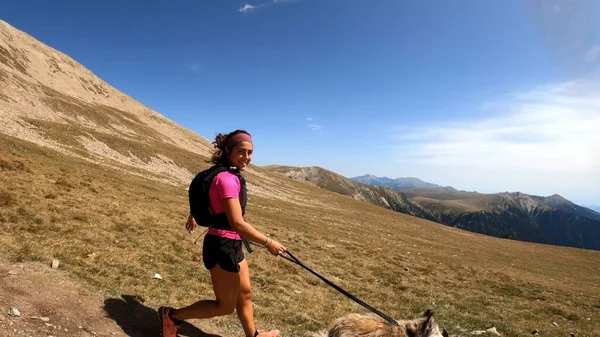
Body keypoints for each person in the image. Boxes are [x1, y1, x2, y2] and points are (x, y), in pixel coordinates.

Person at [158, 129, 286, 337]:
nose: (246, 158)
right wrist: (269, 242)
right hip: (222, 246)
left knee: (245, 295)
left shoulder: (223, 173)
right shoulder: (227, 179)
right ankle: (171, 316)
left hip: (230, 244)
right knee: (224, 306)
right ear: (229, 151)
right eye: (241, 151)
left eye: (250, 152)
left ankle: (253, 335)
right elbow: (237, 222)